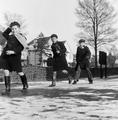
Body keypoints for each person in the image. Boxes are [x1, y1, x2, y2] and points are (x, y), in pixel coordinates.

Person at [0, 21, 28, 95]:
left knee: (19, 72)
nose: (14, 30)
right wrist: (9, 27)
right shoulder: (10, 36)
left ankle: (25, 84)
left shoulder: (22, 37)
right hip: (6, 56)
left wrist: (13, 52)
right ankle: (7, 89)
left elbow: (21, 47)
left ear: (19, 29)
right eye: (12, 29)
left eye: (15, 28)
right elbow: (4, 34)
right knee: (6, 71)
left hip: (15, 57)